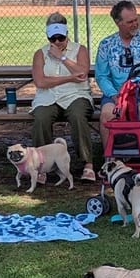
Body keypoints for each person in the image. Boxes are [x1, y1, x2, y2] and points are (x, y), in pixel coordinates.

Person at [30, 12, 96, 183]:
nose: (57, 42)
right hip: (48, 97)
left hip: (76, 95)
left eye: (61, 38)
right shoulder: (40, 54)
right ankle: (41, 165)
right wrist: (69, 78)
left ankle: (87, 164)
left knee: (78, 115)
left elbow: (82, 73)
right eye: (53, 39)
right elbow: (40, 82)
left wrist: (63, 57)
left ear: (67, 34)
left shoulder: (79, 50)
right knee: (41, 117)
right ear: (48, 37)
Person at [95, 0, 140, 146]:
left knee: (139, 111)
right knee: (107, 115)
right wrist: (114, 95)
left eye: (136, 19)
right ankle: (111, 162)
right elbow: (102, 76)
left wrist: (132, 91)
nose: (135, 24)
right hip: (115, 94)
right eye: (130, 22)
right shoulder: (106, 44)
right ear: (118, 23)